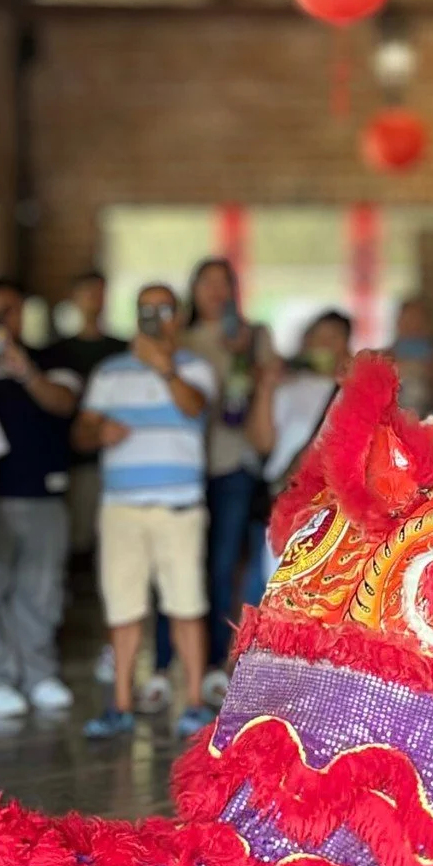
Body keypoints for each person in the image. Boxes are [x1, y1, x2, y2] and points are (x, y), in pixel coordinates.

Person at [75, 283, 215, 741]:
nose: (154, 316)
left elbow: (196, 409)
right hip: (122, 509)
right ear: (134, 315)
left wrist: (164, 368)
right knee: (123, 607)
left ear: (179, 316)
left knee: (186, 605)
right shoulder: (108, 372)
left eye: (163, 308)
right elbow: (80, 434)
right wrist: (99, 434)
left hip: (179, 507)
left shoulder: (195, 367)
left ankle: (193, 703)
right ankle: (119, 705)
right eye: (145, 309)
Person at [0, 275, 80, 720]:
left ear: (22, 312)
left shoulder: (50, 357)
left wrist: (21, 366)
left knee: (41, 590)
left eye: (6, 311)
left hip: (44, 490)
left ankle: (38, 674)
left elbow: (62, 402)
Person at [183, 258, 269, 687]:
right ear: (194, 290)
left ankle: (222, 658)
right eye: (207, 283)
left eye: (223, 283)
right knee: (187, 565)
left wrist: (249, 365)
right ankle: (184, 657)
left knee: (226, 564)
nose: (216, 291)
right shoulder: (181, 339)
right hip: (185, 468)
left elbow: (273, 384)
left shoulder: (254, 336)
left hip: (235, 461)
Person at [50, 266, 129, 560]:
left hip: (118, 457)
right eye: (88, 294)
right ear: (74, 299)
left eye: (100, 293)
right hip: (72, 457)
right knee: (76, 538)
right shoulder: (57, 351)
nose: (94, 300)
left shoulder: (124, 349)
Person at [248, 309, 351, 509]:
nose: (325, 343)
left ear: (347, 346)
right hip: (290, 502)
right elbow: (262, 444)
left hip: (336, 506)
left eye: (333, 337)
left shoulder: (353, 393)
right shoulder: (287, 388)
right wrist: (265, 388)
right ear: (307, 342)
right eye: (318, 336)